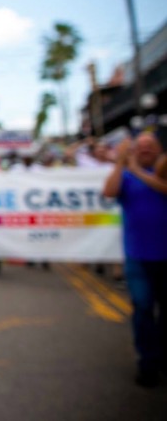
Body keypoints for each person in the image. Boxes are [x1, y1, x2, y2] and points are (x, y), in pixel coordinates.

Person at [102, 131, 167, 388]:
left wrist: (137, 171)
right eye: (139, 146)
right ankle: (147, 362)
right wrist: (120, 163)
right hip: (138, 255)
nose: (144, 150)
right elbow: (108, 192)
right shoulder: (125, 175)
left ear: (159, 149)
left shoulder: (158, 173)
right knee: (142, 307)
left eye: (149, 146)